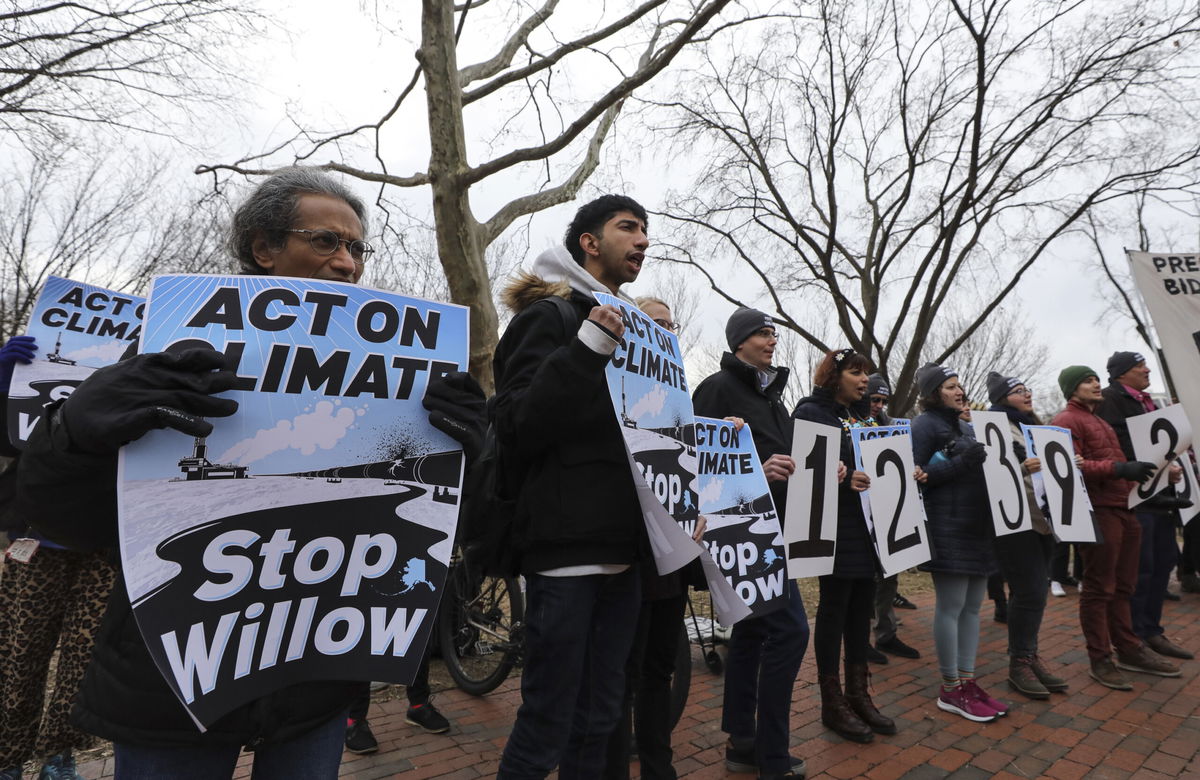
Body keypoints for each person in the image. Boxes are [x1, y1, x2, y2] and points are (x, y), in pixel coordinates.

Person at [15, 167, 487, 779]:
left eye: (355, 248)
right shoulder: (169, 357)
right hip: (168, 683)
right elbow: (65, 519)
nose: (346, 262)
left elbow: (457, 526)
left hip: (317, 680)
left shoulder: (409, 380)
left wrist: (472, 457)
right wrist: (74, 429)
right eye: (325, 241)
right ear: (262, 249)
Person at [492, 195, 650, 780]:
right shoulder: (551, 318)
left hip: (624, 554)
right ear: (589, 241)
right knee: (547, 721)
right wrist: (586, 351)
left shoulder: (636, 332)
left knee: (600, 718)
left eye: (645, 231)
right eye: (627, 228)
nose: (642, 241)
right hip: (565, 552)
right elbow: (516, 425)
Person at [691, 308, 809, 778]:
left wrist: (832, 470)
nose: (771, 340)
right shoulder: (717, 388)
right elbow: (696, 462)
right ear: (738, 341)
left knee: (754, 631)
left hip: (776, 531)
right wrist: (758, 468)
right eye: (762, 333)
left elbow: (793, 458)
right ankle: (772, 756)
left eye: (773, 333)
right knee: (792, 631)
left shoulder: (774, 399)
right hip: (742, 535)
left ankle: (742, 740)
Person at [0, 334, 118, 780]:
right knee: (18, 655)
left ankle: (58, 756)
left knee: (83, 663)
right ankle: (7, 757)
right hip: (37, 540)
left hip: (105, 545)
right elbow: (9, 441)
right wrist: (4, 382)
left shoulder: (138, 381)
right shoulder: (34, 381)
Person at [602, 297, 701, 780]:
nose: (665, 332)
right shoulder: (611, 387)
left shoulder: (680, 399)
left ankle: (659, 767)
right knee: (620, 677)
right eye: (654, 324)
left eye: (670, 325)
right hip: (629, 561)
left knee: (659, 673)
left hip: (672, 562)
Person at [792, 351, 901, 744]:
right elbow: (803, 471)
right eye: (855, 372)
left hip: (868, 529)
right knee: (834, 611)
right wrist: (842, 476)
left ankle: (859, 694)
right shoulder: (810, 413)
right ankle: (831, 701)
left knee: (860, 612)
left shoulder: (866, 418)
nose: (863, 380)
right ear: (833, 376)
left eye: (866, 373)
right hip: (833, 529)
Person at [1051, 366, 1180, 689]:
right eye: (1087, 380)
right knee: (1098, 588)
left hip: (1123, 508)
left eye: (1096, 378)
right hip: (1098, 511)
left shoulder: (1100, 420)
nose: (1096, 384)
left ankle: (1128, 648)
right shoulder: (1066, 421)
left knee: (1124, 585)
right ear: (1071, 389)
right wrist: (1120, 468)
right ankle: (1100, 658)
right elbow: (1068, 467)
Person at [911, 364, 1006, 723]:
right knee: (950, 606)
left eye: (960, 385)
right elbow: (916, 475)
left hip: (977, 526)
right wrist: (961, 462)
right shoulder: (923, 426)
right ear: (934, 392)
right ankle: (950, 687)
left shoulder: (966, 425)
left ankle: (968, 681)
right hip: (947, 526)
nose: (959, 391)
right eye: (951, 386)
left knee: (972, 608)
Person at [1094, 351, 1193, 661]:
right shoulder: (1111, 399)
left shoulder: (1147, 401)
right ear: (1123, 373)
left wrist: (1167, 467)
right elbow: (1120, 444)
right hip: (1135, 497)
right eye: (1140, 367)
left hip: (1158, 494)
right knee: (1141, 569)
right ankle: (1133, 635)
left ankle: (1152, 630)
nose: (1147, 370)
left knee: (1163, 562)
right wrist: (1156, 466)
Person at [983, 372, 1068, 700]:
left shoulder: (1032, 427)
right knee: (1029, 590)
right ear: (1003, 398)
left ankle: (1029, 656)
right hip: (1015, 521)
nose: (1027, 394)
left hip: (1044, 518)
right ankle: (1019, 663)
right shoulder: (993, 425)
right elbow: (992, 472)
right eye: (1018, 391)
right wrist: (1023, 468)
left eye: (1027, 389)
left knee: (1034, 592)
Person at [862, 374, 920, 665]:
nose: (879, 405)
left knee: (888, 577)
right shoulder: (849, 422)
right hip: (861, 515)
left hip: (889, 511)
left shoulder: (892, 427)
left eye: (883, 401)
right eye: (874, 399)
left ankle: (885, 633)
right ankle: (860, 641)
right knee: (864, 581)